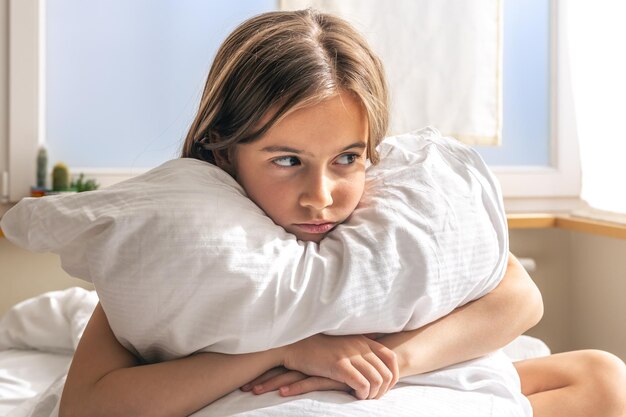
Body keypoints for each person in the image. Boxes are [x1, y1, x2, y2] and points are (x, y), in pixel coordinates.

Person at [59, 9, 626, 417]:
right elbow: (87, 407)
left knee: (605, 375)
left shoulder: (390, 217)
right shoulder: (188, 239)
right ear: (223, 150)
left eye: (347, 158)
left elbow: (520, 297)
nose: (321, 194)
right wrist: (284, 350)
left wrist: (390, 362)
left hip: (396, 379)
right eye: (286, 160)